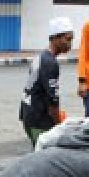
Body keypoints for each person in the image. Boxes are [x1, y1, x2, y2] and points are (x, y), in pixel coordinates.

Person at [20, 18, 74, 146]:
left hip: (28, 114)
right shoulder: (50, 63)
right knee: (43, 160)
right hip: (39, 119)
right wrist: (59, 125)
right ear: (55, 38)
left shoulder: (40, 56)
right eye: (67, 39)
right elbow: (52, 103)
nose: (70, 44)